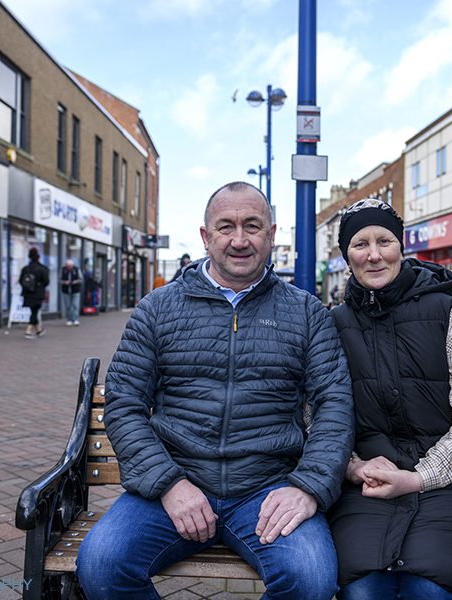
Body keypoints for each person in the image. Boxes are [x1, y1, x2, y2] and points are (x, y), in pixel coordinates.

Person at [76, 181, 355, 599]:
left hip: (268, 487)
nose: (239, 240)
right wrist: (168, 484)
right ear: (206, 237)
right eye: (226, 227)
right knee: (101, 564)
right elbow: (124, 404)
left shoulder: (306, 312)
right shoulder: (157, 309)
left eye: (252, 226)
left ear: (272, 235)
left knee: (311, 579)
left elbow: (334, 404)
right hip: (175, 483)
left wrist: (307, 487)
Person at [328, 198, 452, 600]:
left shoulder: (450, 315)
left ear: (401, 247)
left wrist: (417, 478)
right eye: (360, 244)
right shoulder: (333, 326)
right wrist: (354, 468)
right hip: (367, 488)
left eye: (384, 241)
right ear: (346, 256)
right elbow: (317, 421)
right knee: (362, 588)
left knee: (431, 587)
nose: (374, 255)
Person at [19, 247, 49, 339]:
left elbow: (21, 281)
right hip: (38, 294)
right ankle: (28, 331)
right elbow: (46, 281)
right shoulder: (42, 268)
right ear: (38, 257)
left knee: (33, 311)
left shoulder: (25, 269)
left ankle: (39, 330)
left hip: (28, 293)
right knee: (35, 312)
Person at [60, 259, 82, 326]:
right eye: (68, 266)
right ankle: (69, 320)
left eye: (70, 266)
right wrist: (64, 282)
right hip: (66, 291)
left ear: (72, 265)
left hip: (75, 290)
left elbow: (81, 279)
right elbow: (59, 279)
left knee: (75, 305)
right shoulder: (63, 270)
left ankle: (75, 319)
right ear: (66, 265)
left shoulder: (77, 269)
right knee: (68, 306)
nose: (69, 267)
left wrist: (76, 281)